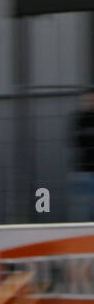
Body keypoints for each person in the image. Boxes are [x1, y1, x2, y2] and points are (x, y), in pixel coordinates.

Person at [72, 88, 94, 222]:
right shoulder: (80, 118)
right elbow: (76, 141)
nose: (90, 103)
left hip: (86, 167)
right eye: (88, 100)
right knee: (84, 206)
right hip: (85, 169)